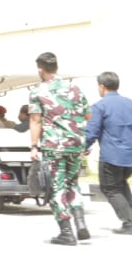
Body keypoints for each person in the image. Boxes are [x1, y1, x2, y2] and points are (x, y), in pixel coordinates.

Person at [28, 52, 92, 245]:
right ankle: (80, 223)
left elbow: (35, 120)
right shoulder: (75, 88)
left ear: (40, 69)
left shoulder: (38, 91)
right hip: (76, 145)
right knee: (72, 184)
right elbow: (88, 115)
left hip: (54, 146)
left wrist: (33, 146)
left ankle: (66, 231)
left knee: (56, 187)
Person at [84, 71, 132, 236]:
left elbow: (92, 131)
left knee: (110, 188)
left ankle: (129, 223)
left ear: (101, 86)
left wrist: (83, 147)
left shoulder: (100, 106)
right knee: (120, 183)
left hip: (113, 155)